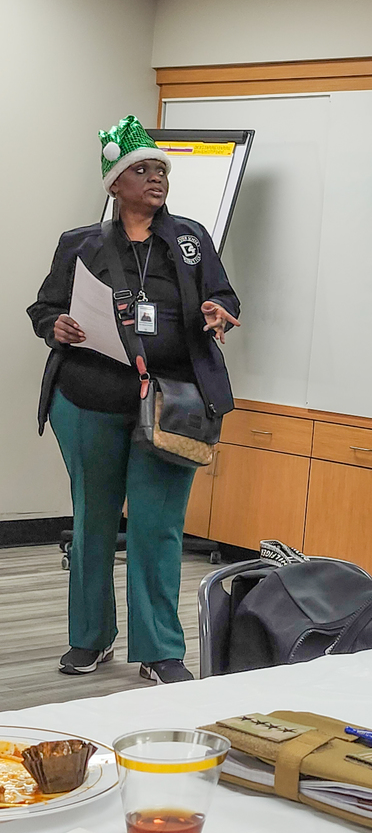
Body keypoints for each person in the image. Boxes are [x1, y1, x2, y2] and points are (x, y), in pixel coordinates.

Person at [28, 116, 241, 685]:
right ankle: (89, 640)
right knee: (94, 520)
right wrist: (59, 326)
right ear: (115, 184)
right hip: (89, 398)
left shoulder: (191, 239)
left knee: (159, 526)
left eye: (161, 170)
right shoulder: (81, 244)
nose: (156, 179)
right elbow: (43, 309)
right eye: (142, 170)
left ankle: (161, 650)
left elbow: (222, 293)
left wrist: (220, 311)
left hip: (173, 405)